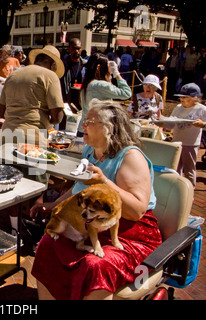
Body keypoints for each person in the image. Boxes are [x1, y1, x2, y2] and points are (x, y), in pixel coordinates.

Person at [30, 99, 162, 300]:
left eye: (89, 122)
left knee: (95, 265)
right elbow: (79, 189)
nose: (83, 125)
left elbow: (137, 211)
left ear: (108, 128)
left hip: (129, 232)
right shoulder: (90, 152)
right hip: (92, 225)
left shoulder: (130, 157)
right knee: (48, 245)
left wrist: (104, 181)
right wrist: (52, 206)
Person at [0, 44, 65, 147]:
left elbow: (1, 112)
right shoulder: (50, 75)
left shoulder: (13, 75)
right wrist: (48, 122)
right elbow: (57, 116)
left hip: (7, 135)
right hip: (33, 137)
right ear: (52, 65)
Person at [158, 83, 206, 188]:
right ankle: (175, 190)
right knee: (175, 168)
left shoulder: (201, 109)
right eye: (181, 97)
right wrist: (161, 122)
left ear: (195, 98)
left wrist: (203, 124)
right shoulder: (178, 108)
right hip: (176, 142)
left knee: (189, 169)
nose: (182, 100)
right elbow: (171, 124)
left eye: (185, 98)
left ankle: (190, 191)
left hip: (190, 144)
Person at [78, 52, 132, 137]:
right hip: (96, 132)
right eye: (108, 67)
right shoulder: (100, 85)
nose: (109, 71)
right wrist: (116, 74)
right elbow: (126, 92)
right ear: (98, 68)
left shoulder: (87, 84)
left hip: (83, 129)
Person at [60, 38, 86, 119]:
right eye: (74, 48)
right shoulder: (62, 65)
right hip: (66, 102)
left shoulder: (85, 65)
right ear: (69, 49)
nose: (76, 51)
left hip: (80, 101)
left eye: (78, 48)